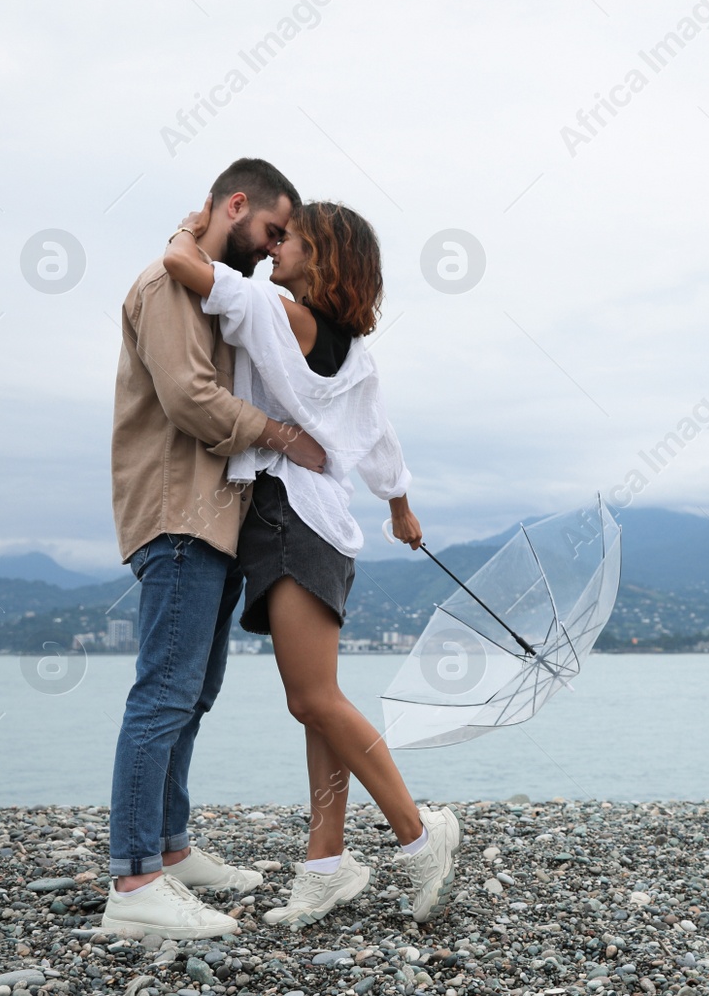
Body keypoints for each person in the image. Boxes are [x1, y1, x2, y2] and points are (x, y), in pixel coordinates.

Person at [160, 196, 461, 928]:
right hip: (322, 524)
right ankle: (325, 861)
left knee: (313, 699)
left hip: (289, 518)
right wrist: (399, 507)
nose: (272, 251)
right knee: (316, 700)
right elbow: (380, 440)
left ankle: (420, 836)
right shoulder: (356, 353)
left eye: (286, 240)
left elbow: (180, 265)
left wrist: (197, 222)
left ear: (320, 256)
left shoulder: (275, 313)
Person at [103, 158, 325, 938]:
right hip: (176, 516)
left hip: (212, 518)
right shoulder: (167, 286)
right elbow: (190, 398)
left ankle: (168, 847)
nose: (270, 253)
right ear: (235, 204)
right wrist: (282, 437)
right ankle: (133, 884)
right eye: (269, 233)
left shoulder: (199, 279)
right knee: (163, 694)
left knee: (191, 694)